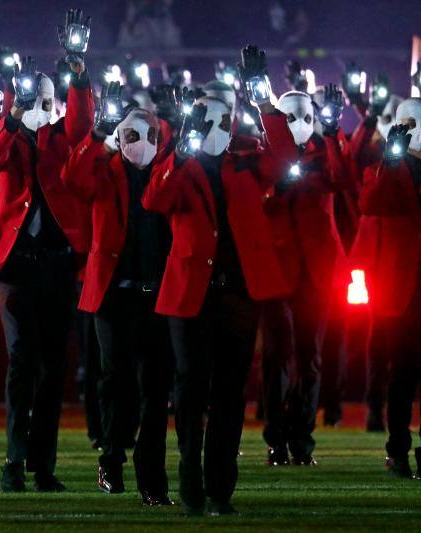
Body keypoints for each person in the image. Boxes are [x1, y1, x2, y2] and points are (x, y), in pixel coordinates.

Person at [142, 45, 297, 515]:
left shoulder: (248, 158)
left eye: (222, 116)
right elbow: (154, 199)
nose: (216, 124)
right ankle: (190, 482)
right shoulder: (179, 162)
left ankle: (219, 489)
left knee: (230, 393)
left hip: (237, 293)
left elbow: (290, 160)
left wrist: (264, 101)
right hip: (189, 294)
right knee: (189, 391)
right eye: (207, 115)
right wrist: (179, 148)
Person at [0, 8, 94, 492]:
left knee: (51, 370)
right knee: (22, 361)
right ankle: (13, 462)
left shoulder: (59, 140)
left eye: (48, 99)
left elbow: (82, 129)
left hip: (56, 266)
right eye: (34, 98)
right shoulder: (4, 138)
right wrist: (11, 114)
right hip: (16, 267)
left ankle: (42, 466)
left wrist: (79, 74)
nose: (41, 105)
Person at [62, 88, 174, 506]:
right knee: (119, 382)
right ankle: (111, 458)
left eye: (144, 136)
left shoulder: (168, 171)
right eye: (128, 137)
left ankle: (152, 479)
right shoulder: (106, 169)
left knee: (156, 389)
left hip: (157, 297)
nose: (136, 145)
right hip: (112, 297)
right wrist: (98, 137)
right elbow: (72, 178)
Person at [260, 85, 349, 466]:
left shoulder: (325, 152)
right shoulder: (268, 155)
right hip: (279, 269)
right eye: (290, 117)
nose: (299, 125)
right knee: (276, 358)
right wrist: (275, 190)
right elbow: (258, 203)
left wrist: (331, 130)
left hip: (316, 272)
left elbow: (342, 178)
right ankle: (277, 439)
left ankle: (301, 439)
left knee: (309, 358)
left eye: (306, 117)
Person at [358, 99, 421, 479]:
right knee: (402, 374)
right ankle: (397, 449)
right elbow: (370, 202)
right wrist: (390, 162)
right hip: (400, 289)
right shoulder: (384, 170)